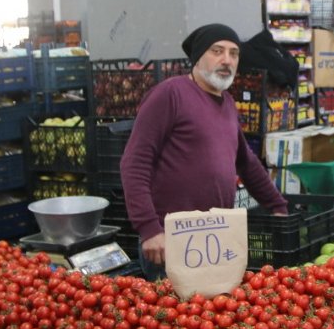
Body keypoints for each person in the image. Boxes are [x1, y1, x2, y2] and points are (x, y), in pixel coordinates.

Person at [120, 23, 288, 280]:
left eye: (234, 54)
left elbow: (247, 163)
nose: (226, 60)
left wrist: (277, 206)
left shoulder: (228, 103)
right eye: (217, 51)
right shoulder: (170, 94)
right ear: (198, 57)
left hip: (216, 239)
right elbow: (134, 163)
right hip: (171, 242)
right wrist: (149, 228)